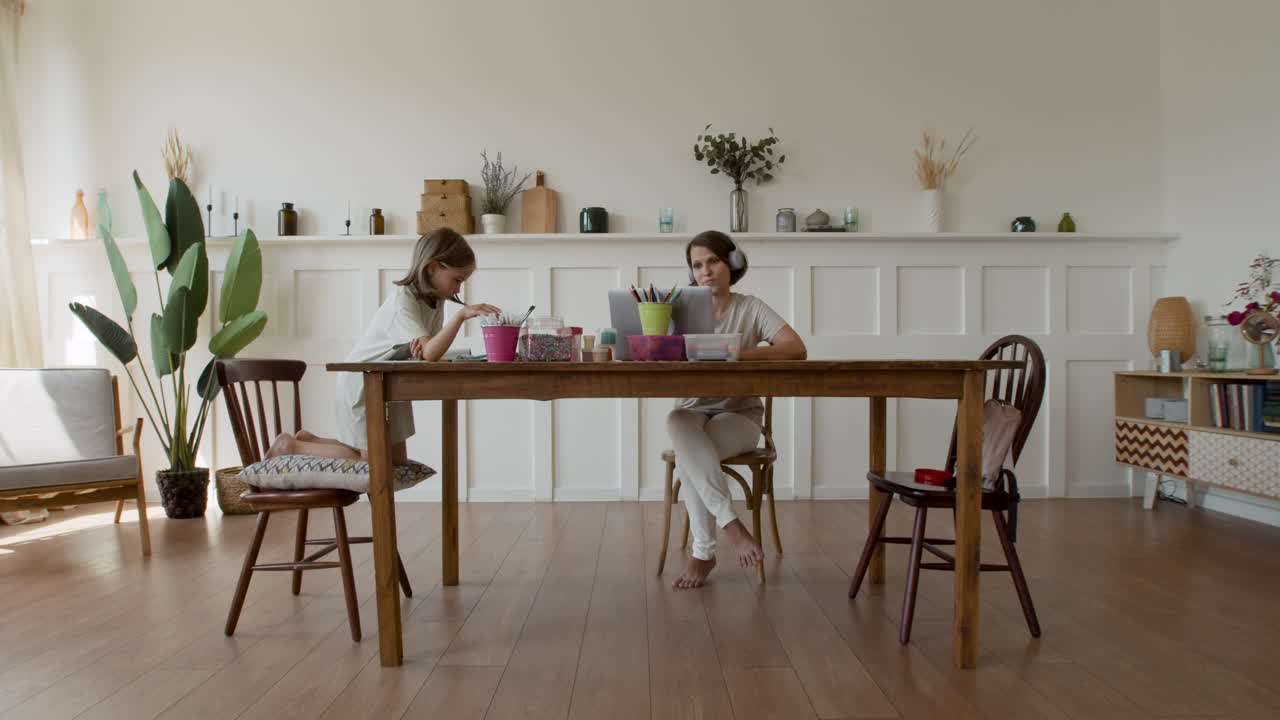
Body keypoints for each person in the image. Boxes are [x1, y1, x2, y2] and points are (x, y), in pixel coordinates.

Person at [266, 228, 499, 464]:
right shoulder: (403, 300)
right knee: (374, 461)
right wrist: (459, 317)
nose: (458, 289)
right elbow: (429, 352)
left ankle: (310, 441)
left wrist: (428, 348)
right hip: (364, 381)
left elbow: (427, 350)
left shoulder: (434, 301)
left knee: (396, 462)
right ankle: (290, 446)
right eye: (457, 280)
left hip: (391, 382)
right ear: (433, 267)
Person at [668, 230, 807, 589]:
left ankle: (703, 552)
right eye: (697, 265)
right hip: (692, 412)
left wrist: (736, 352)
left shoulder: (751, 306)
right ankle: (733, 526)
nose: (705, 271)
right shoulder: (680, 308)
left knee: (691, 457)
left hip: (740, 416)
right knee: (677, 421)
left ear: (732, 263)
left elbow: (796, 349)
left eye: (713, 261)